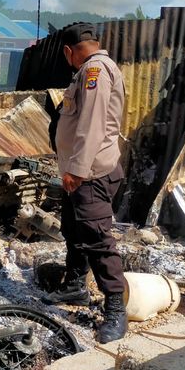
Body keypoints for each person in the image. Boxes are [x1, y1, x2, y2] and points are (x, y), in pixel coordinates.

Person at [45, 22, 128, 344]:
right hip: (79, 171)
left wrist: (77, 170)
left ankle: (116, 309)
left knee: (97, 239)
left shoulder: (95, 71)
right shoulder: (89, 71)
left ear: (69, 51)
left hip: (90, 174)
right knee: (74, 229)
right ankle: (75, 287)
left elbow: (92, 124)